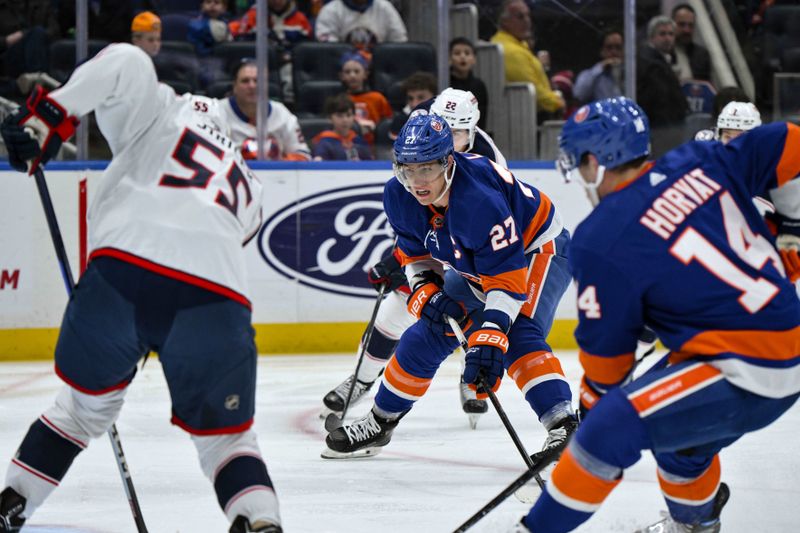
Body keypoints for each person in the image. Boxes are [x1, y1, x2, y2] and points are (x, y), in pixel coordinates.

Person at [0, 43, 282, 533]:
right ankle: (259, 519)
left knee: (79, 411)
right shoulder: (251, 185)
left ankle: (12, 504)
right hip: (216, 296)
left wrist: (47, 119)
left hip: (123, 273)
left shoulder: (161, 111)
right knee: (227, 441)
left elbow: (127, 60)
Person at [516, 97, 800, 533]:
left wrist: (590, 413)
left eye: (581, 163)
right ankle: (695, 524)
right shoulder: (699, 158)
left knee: (606, 431)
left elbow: (608, 368)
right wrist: (794, 228)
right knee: (681, 444)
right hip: (778, 335)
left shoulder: (600, 235)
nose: (580, 175)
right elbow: (790, 142)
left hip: (750, 363)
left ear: (597, 161)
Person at [321, 113, 577, 460]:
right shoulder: (399, 193)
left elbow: (507, 276)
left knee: (517, 333)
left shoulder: (478, 200)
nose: (416, 181)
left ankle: (563, 425)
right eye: (407, 168)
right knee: (427, 332)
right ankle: (381, 422)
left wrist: (491, 331)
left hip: (537, 249)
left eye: (426, 168)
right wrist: (425, 290)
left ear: (448, 162)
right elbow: (414, 254)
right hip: (476, 256)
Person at [320, 88, 507, 429]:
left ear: (475, 129)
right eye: (444, 128)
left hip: (472, 255)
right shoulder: (421, 134)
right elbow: (410, 209)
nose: (449, 138)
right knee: (395, 310)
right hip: (434, 244)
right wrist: (401, 259)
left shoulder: (488, 165)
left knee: (469, 312)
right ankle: (362, 379)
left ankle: (471, 376)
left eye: (458, 132)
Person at [490, 0, 565, 121]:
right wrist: (558, 102)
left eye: (528, 15)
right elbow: (535, 92)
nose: (527, 21)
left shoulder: (518, 46)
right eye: (520, 16)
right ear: (505, 21)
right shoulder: (511, 51)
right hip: (527, 120)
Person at [223, 60, 311, 161]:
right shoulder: (217, 112)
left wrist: (278, 164)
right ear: (234, 86)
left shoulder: (281, 113)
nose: (252, 86)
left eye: (257, 81)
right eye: (245, 81)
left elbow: (303, 155)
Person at [637, 15, 687, 129]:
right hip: (660, 128)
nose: (667, 38)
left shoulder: (663, 60)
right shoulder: (651, 63)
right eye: (662, 34)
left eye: (671, 34)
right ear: (652, 37)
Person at [339, 51, 393, 146]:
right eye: (347, 72)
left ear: (365, 74)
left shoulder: (378, 98)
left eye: (357, 71)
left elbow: (387, 125)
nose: (352, 75)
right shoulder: (339, 100)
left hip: (374, 145)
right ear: (342, 76)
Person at [315, 0, 407, 52]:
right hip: (343, 71)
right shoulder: (330, 11)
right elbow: (328, 51)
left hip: (380, 69)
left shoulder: (385, 8)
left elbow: (399, 44)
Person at [312, 93, 372, 161]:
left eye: (348, 115)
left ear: (354, 117)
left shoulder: (359, 141)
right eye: (339, 116)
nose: (345, 120)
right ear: (330, 118)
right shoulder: (324, 143)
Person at [448, 37, 489, 130]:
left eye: (467, 53)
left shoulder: (479, 86)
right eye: (457, 53)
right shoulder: (444, 83)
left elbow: (481, 119)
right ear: (449, 59)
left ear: (474, 59)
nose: (462, 56)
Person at [573, 29, 624, 105]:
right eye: (609, 47)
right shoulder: (590, 74)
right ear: (601, 51)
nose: (614, 52)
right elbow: (578, 95)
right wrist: (600, 68)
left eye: (618, 47)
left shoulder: (633, 75)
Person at [388, 71, 437, 140]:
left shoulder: (448, 119)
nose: (415, 104)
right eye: (410, 99)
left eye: (421, 97)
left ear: (434, 97)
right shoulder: (400, 121)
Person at [671, 3, 712, 83]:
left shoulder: (702, 55)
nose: (687, 30)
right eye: (681, 25)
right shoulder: (661, 53)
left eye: (691, 25)